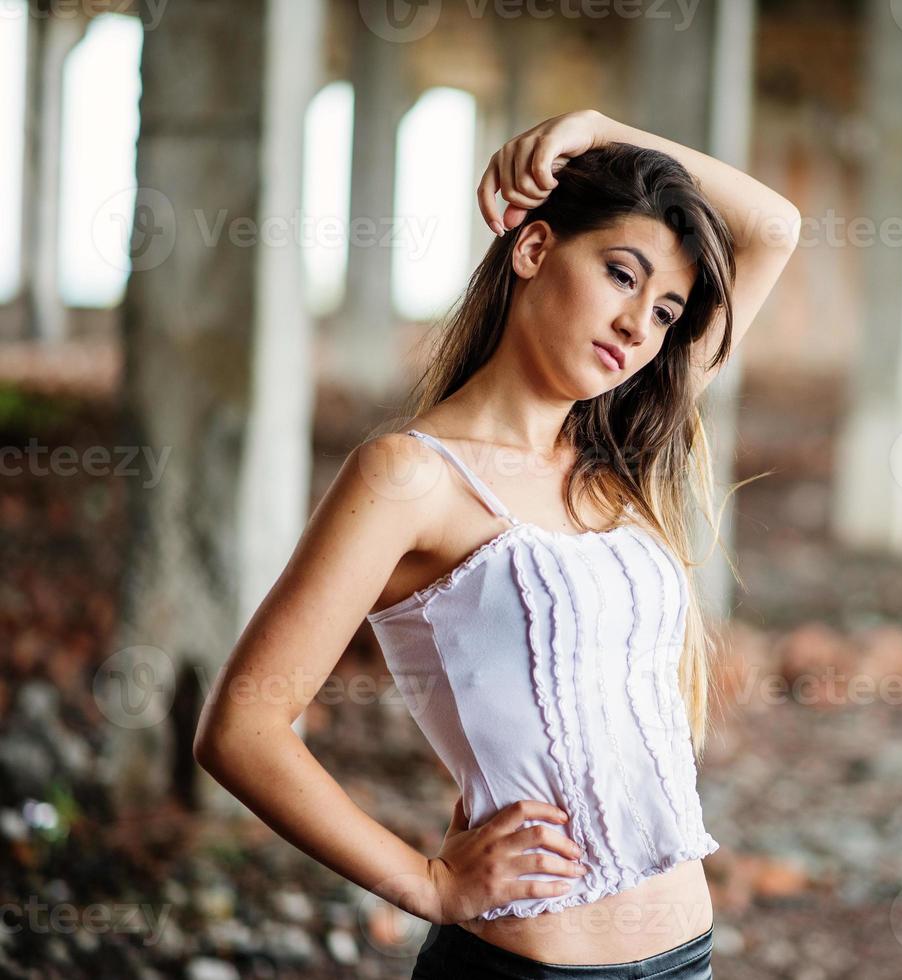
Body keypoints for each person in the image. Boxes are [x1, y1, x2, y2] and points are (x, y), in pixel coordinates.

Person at [193, 109, 800, 978]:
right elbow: (240, 726)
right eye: (619, 273)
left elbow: (774, 228)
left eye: (666, 310)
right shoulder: (408, 477)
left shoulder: (619, 449)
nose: (638, 326)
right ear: (533, 248)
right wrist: (427, 884)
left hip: (686, 956)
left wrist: (593, 127)